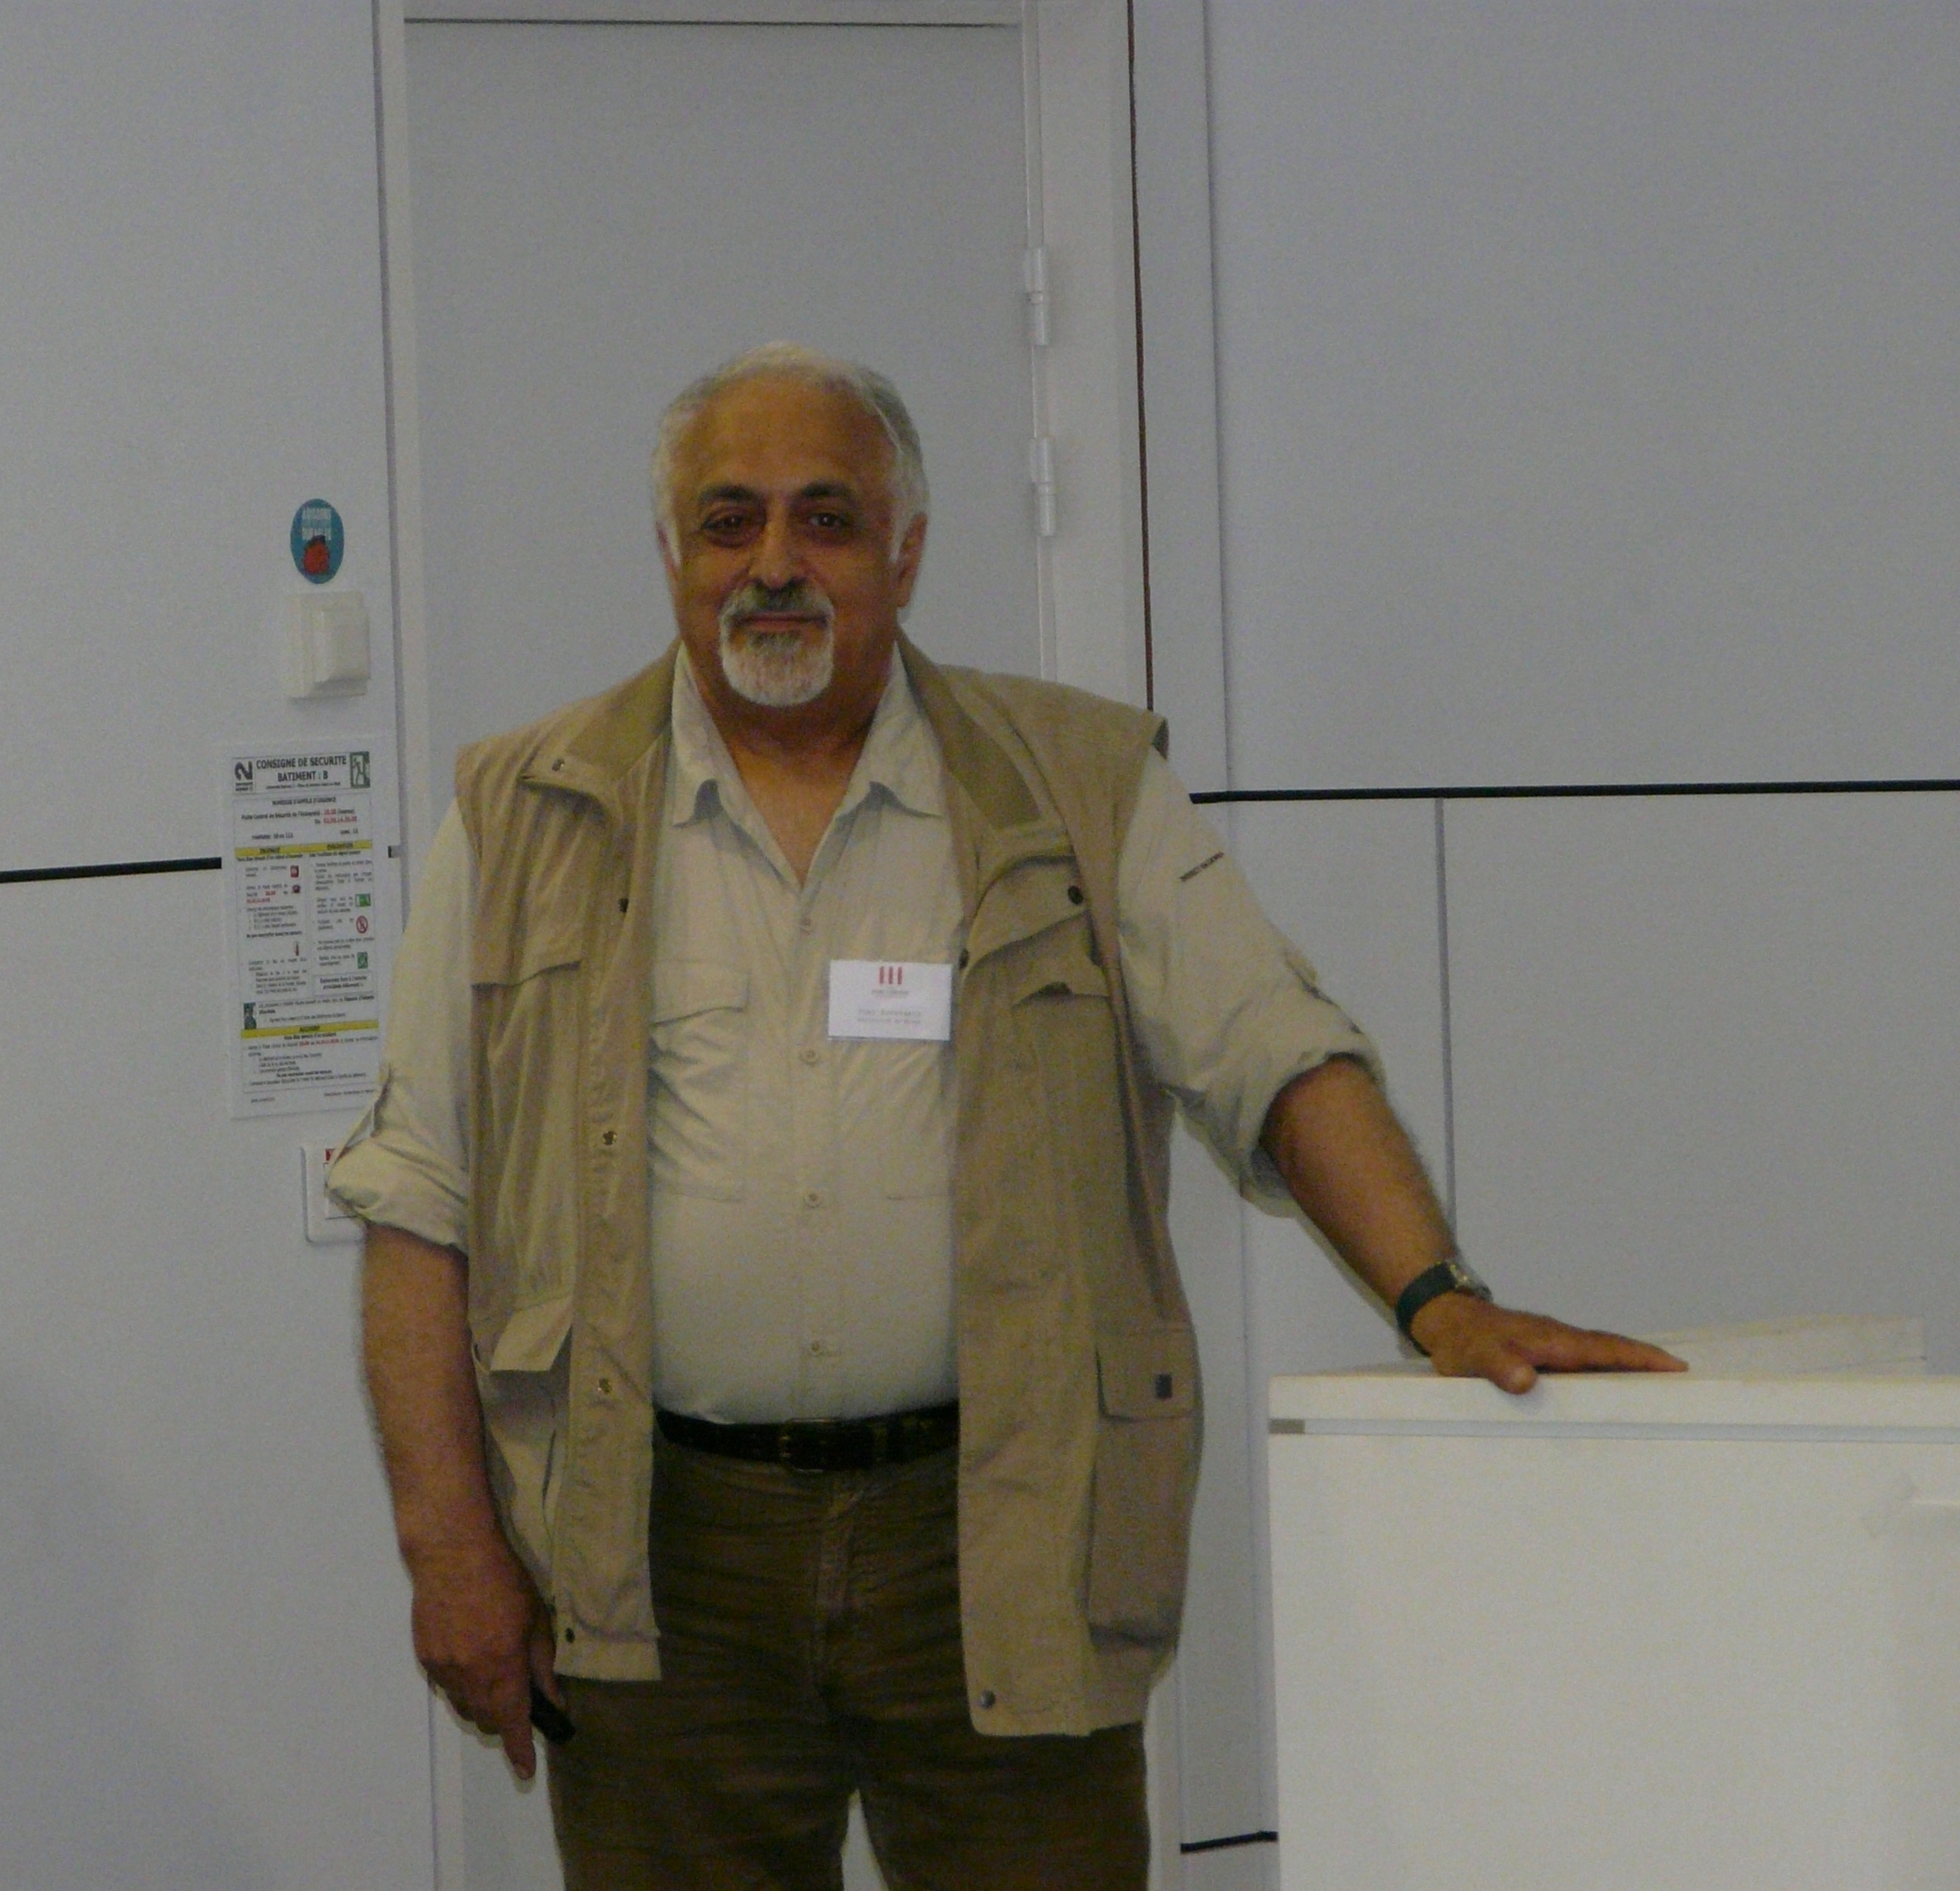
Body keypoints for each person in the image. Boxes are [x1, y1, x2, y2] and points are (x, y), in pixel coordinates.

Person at [328, 344, 1680, 1889]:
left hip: (1002, 1532)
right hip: (654, 1553)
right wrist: (451, 1552)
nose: (775, 564)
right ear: (670, 554)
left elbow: (1276, 1050)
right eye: (728, 521)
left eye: (827, 518)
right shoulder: (521, 814)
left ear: (906, 551)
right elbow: (418, 1199)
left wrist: (1441, 1301)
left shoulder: (1080, 788)